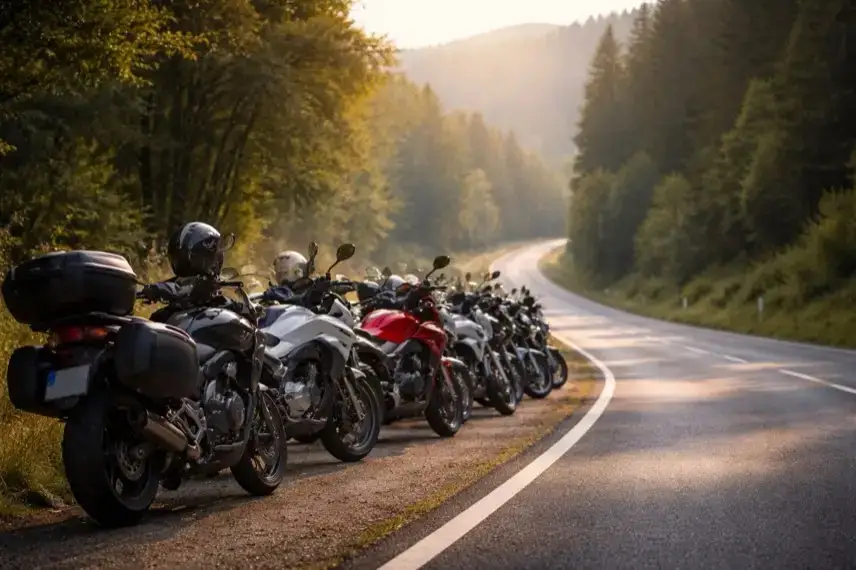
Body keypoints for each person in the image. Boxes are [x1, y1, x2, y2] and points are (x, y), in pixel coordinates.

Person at [140, 221, 231, 304]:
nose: (217, 261)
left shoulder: (210, 291)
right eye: (215, 256)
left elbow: (183, 288)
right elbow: (181, 286)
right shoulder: (192, 284)